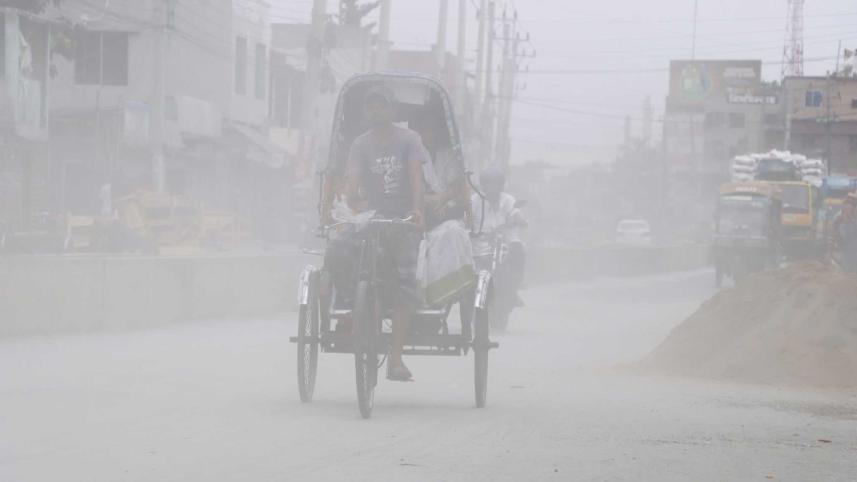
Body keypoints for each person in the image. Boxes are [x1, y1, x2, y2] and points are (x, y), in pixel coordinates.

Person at [343, 84, 428, 381]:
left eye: (382, 105)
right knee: (356, 268)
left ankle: (396, 359)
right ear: (367, 111)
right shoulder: (360, 145)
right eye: (372, 106)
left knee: (405, 286)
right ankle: (360, 317)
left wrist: (417, 210)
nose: (376, 111)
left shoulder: (409, 140)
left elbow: (416, 178)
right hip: (373, 220)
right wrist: (356, 203)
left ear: (392, 109)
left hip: (403, 220)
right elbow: (352, 186)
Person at [471, 167, 527, 304]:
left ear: (501, 185)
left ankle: (514, 287)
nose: (492, 188)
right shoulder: (474, 200)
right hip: (479, 243)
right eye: (488, 183)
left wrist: (520, 220)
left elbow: (515, 212)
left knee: (518, 247)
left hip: (504, 242)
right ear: (483, 185)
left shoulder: (508, 200)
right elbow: (467, 217)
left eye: (496, 184)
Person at [833, 192, 857, 274]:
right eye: (847, 203)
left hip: (854, 246)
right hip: (845, 247)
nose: (849, 206)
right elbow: (835, 231)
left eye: (852, 204)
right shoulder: (839, 217)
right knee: (847, 268)